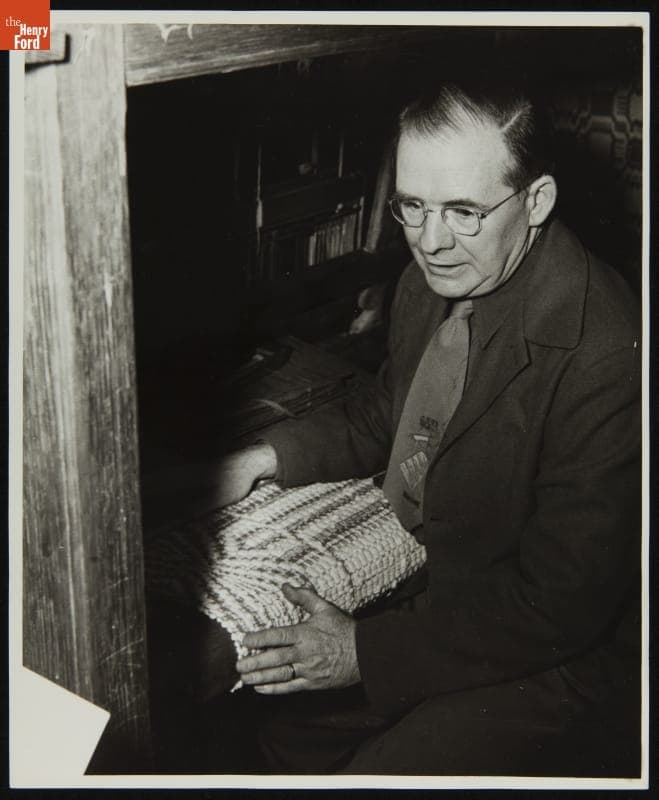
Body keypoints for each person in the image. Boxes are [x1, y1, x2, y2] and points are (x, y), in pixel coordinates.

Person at [210, 77, 641, 776]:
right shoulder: (431, 284)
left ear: (536, 201)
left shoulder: (608, 351)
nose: (430, 242)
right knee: (288, 736)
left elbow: (564, 600)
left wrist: (360, 652)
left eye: (464, 211)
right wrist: (262, 459)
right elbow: (395, 409)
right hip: (461, 593)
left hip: (570, 652)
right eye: (412, 206)